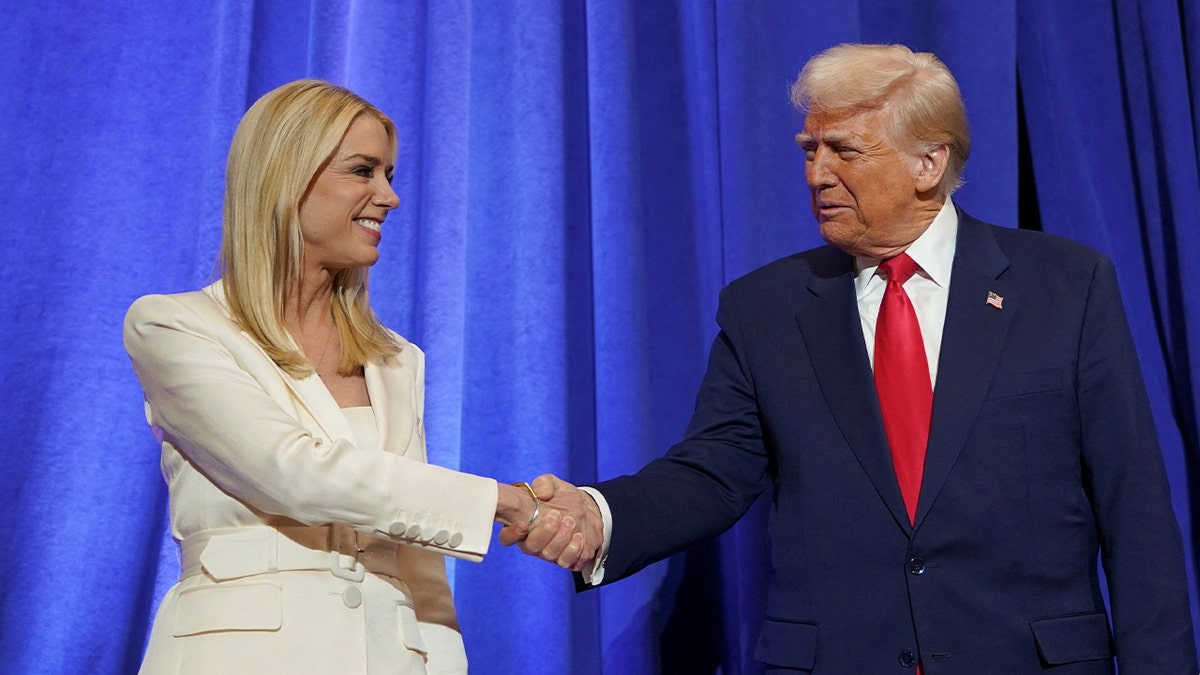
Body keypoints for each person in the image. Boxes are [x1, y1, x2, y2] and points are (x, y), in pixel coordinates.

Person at [505, 44, 1198, 673]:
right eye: (809, 149)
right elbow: (711, 474)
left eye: (844, 150)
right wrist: (599, 514)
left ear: (929, 162)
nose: (817, 173)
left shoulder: (1064, 286)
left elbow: (1133, 510)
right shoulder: (767, 308)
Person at [124, 80, 587, 674]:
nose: (389, 197)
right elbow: (290, 472)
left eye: (390, 174)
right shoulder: (175, 326)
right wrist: (502, 501)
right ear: (285, 176)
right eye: (364, 171)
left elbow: (418, 563)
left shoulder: (398, 359)